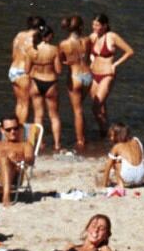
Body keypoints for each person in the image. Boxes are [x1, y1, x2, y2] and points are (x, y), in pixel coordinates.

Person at [87, 13, 135, 134]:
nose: (94, 27)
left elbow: (129, 51)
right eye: (93, 24)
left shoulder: (112, 36)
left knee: (96, 107)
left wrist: (115, 64)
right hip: (94, 74)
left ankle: (105, 132)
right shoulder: (93, 36)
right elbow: (89, 52)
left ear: (105, 25)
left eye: (97, 25)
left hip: (107, 74)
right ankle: (106, 131)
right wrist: (92, 59)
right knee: (101, 106)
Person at [24, 23, 64, 153]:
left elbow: (26, 69)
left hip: (36, 82)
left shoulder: (31, 50)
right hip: (50, 82)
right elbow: (58, 70)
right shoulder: (54, 49)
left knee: (38, 115)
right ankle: (57, 144)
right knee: (54, 116)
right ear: (48, 37)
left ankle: (39, 143)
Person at [58, 15, 92, 152]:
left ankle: (80, 140)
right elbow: (87, 56)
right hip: (88, 75)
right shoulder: (87, 40)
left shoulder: (64, 44)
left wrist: (67, 62)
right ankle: (84, 134)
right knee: (80, 107)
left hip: (75, 75)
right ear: (81, 27)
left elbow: (60, 61)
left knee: (77, 111)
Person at [8, 16, 43, 128]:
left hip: (13, 69)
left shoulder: (19, 35)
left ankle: (14, 127)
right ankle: (20, 131)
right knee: (25, 104)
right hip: (23, 72)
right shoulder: (35, 38)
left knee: (19, 103)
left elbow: (13, 54)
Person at [98, 122, 144, 188]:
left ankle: (120, 183)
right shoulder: (136, 140)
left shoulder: (117, 146)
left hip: (128, 176)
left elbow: (107, 167)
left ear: (118, 135)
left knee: (115, 162)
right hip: (141, 176)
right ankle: (135, 181)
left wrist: (104, 185)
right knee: (121, 159)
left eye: (112, 135)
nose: (111, 138)